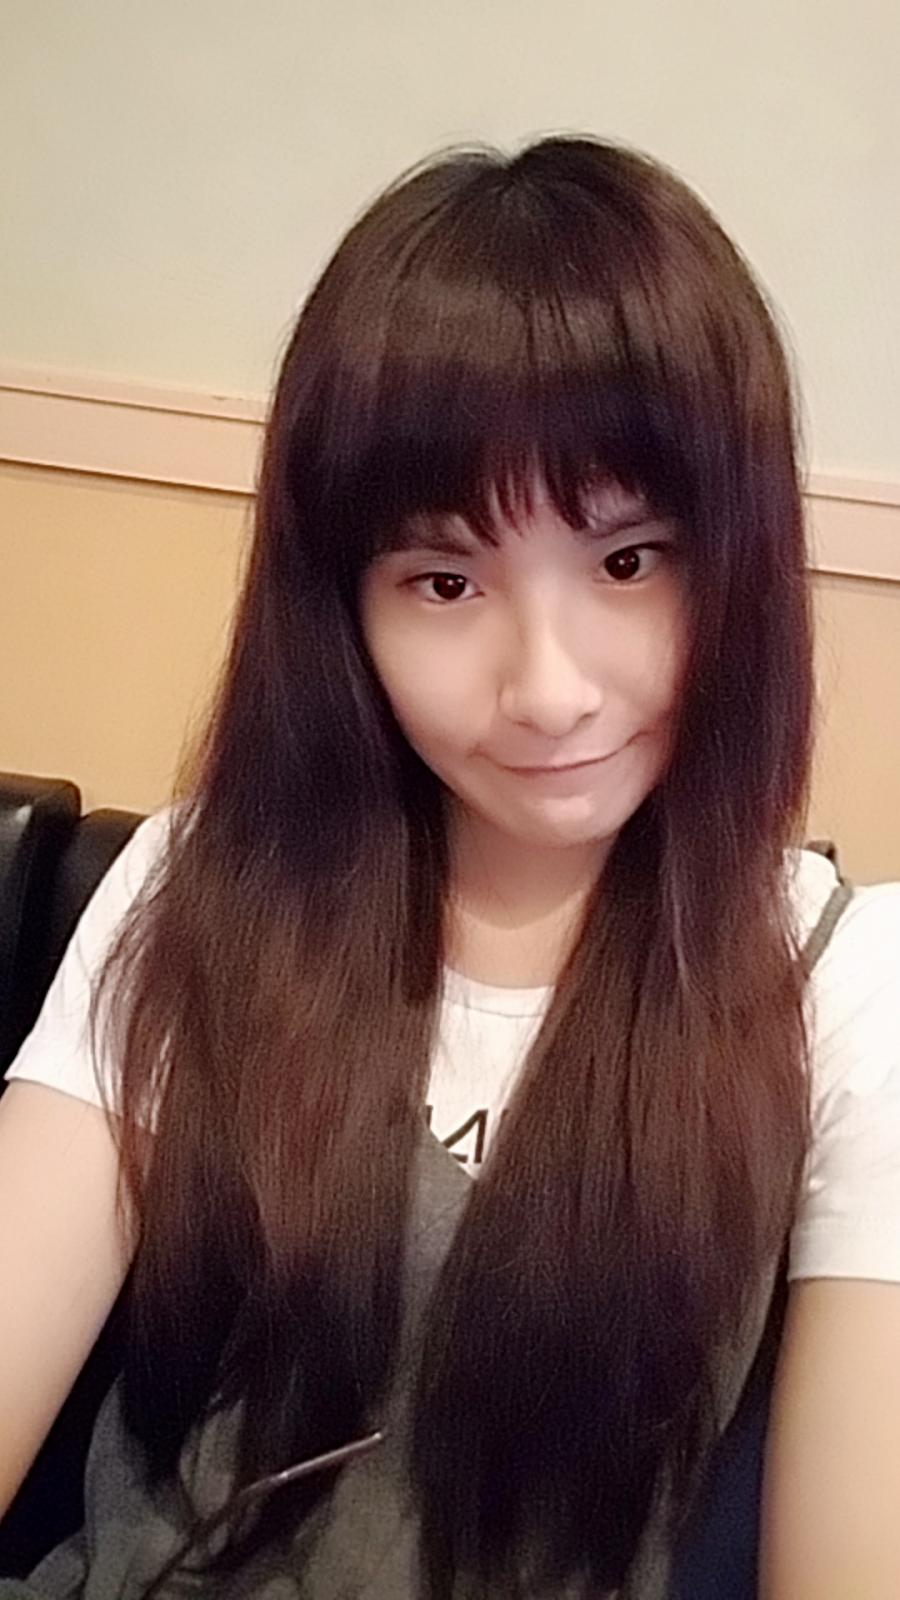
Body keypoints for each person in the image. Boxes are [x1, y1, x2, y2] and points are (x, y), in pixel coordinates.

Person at [1, 133, 899, 1600]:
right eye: (444, 579)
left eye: (628, 561)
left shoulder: (848, 986)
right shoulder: (194, 894)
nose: (548, 690)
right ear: (343, 609)